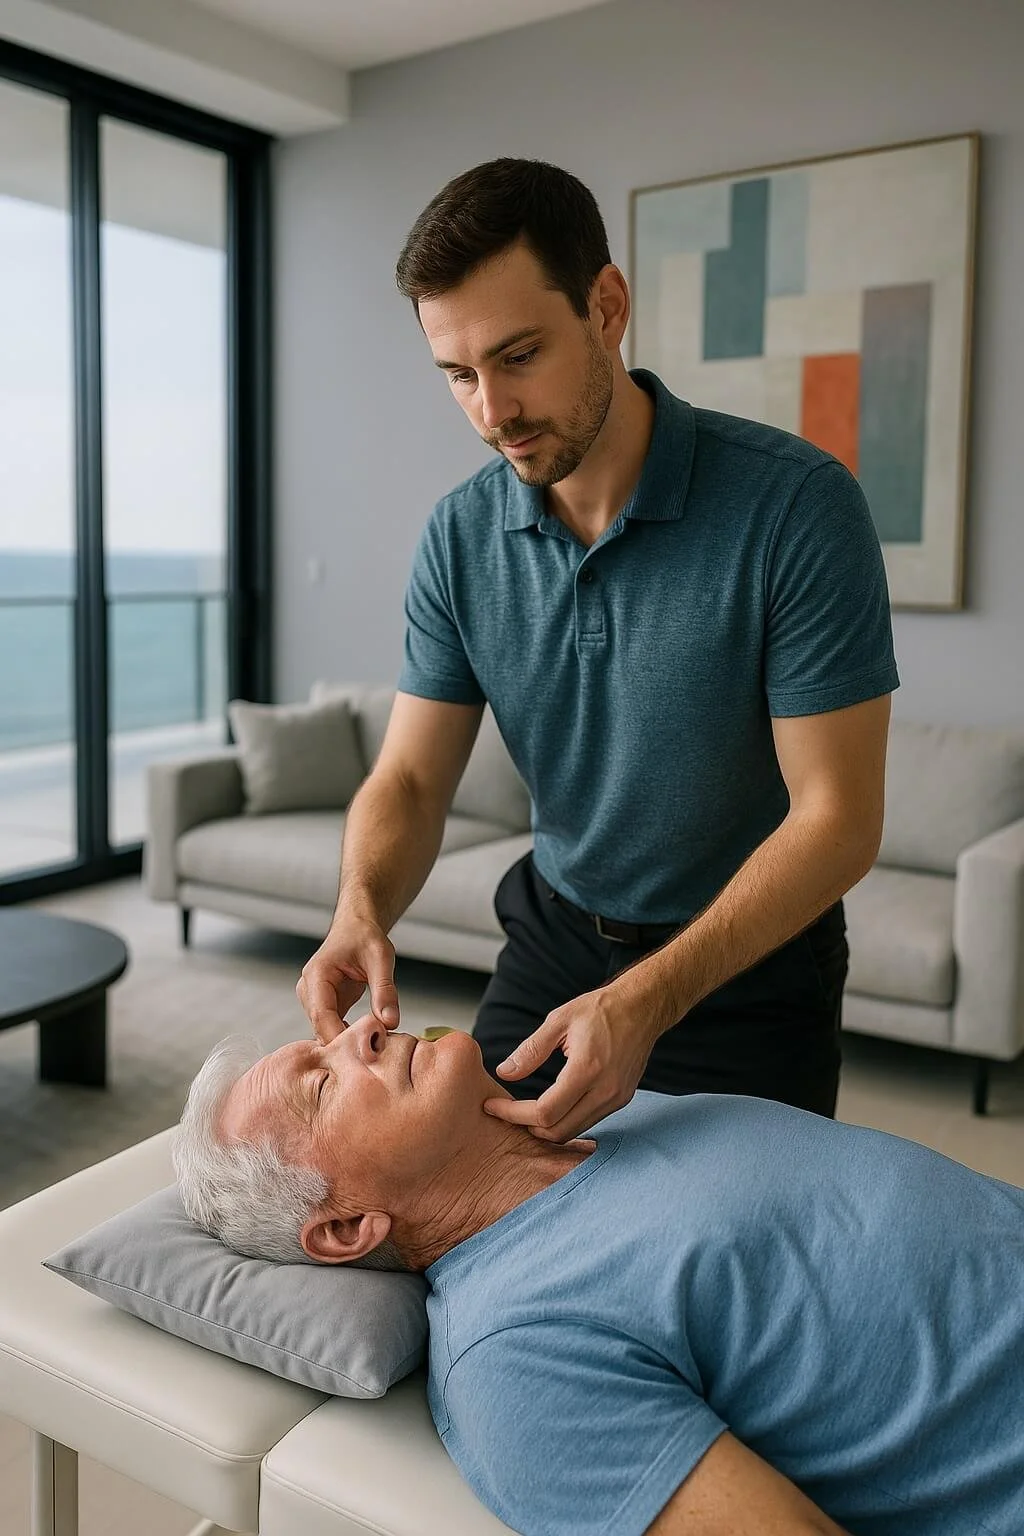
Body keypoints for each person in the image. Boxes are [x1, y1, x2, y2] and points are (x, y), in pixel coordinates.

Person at [297, 157, 901, 1140]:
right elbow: (409, 782)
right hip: (552, 944)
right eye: (459, 374)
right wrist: (359, 907)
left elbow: (837, 819)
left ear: (607, 306)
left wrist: (647, 1002)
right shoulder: (459, 538)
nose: (492, 412)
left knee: (715, 1270)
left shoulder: (796, 507)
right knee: (448, 1207)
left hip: (745, 970)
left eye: (518, 354)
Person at [175, 1018, 1024, 1536]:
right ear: (349, 1226)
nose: (362, 1030)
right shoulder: (516, 1359)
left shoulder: (615, 1114)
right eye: (322, 1085)